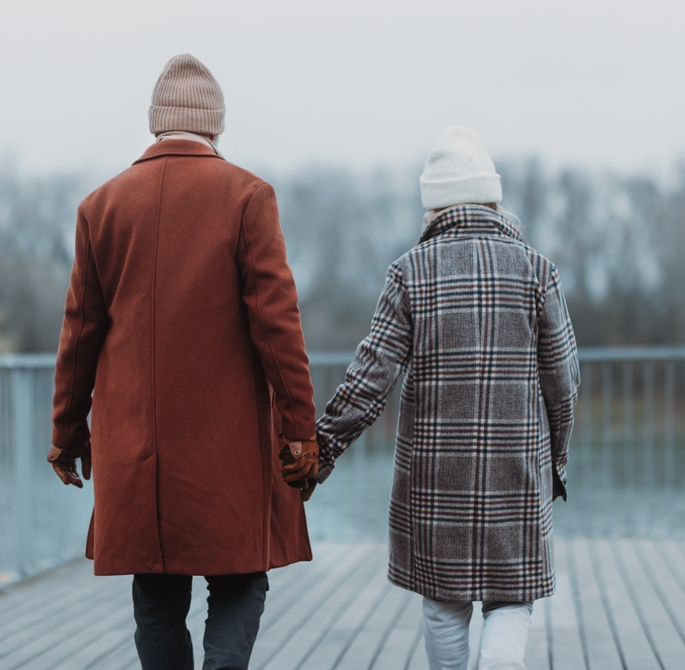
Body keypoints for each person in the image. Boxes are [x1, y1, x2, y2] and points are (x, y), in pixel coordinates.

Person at [46, 53, 319, 670]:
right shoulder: (249, 196)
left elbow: (79, 335)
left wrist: (66, 434)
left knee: (158, 592)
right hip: (227, 446)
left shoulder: (101, 206)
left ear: (155, 124)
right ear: (215, 126)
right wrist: (300, 429)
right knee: (240, 578)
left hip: (136, 447)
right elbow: (278, 327)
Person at [314, 126, 579, 670]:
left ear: (432, 207)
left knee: (443, 610)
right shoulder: (537, 271)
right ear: (492, 197)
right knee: (511, 601)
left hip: (436, 477)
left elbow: (371, 377)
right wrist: (555, 459)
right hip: (516, 469)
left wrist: (322, 448)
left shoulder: (411, 273)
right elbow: (564, 382)